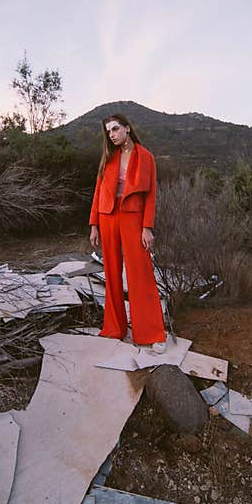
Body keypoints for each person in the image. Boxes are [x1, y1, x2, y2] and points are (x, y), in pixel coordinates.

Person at [88, 113, 166, 352]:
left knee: (140, 274)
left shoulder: (146, 157)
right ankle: (114, 329)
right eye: (108, 131)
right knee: (111, 273)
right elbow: (98, 190)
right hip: (107, 217)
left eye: (115, 129)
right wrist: (94, 225)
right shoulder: (108, 159)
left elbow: (150, 195)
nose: (111, 135)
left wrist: (147, 227)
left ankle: (151, 332)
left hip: (133, 219)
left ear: (127, 129)